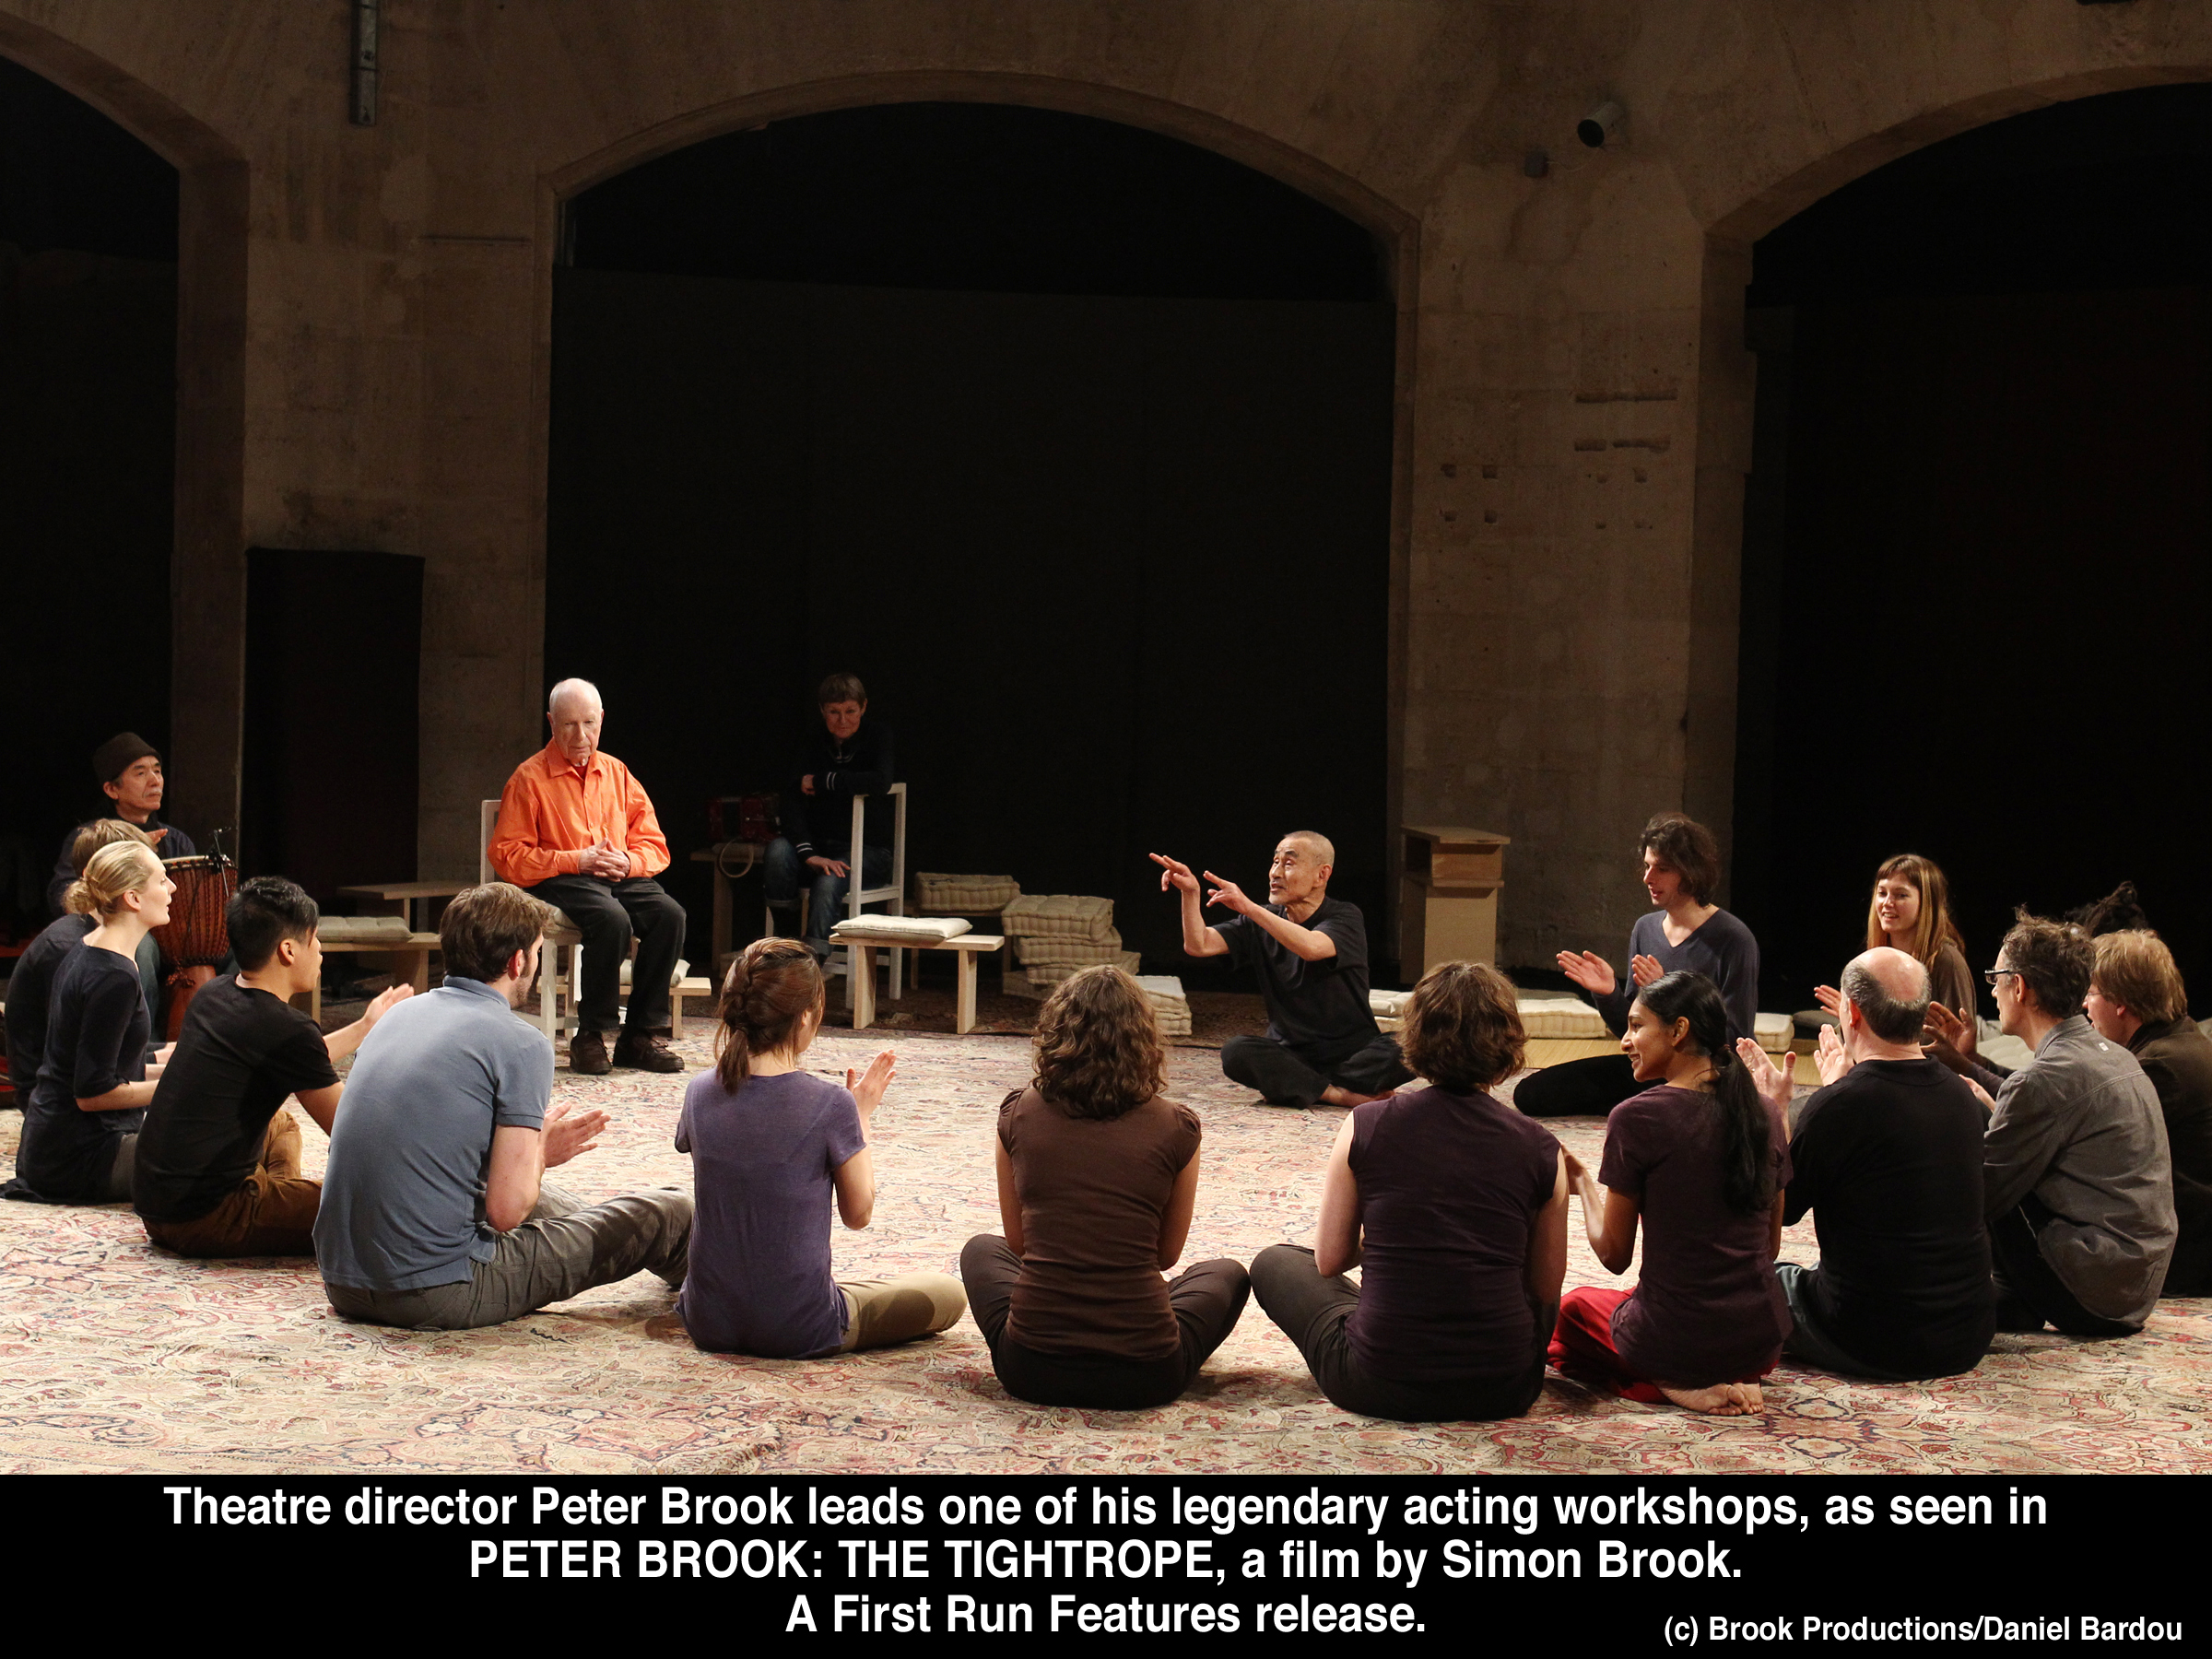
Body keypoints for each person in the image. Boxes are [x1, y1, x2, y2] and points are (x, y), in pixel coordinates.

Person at [313, 882, 693, 1330]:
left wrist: (534, 1160)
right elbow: (506, 1211)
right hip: (434, 1292)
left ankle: (664, 1243)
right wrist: (537, 1158)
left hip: (342, 1281)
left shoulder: (398, 1015)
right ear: (519, 961)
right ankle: (715, 1278)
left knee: (573, 1205)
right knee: (672, 1213)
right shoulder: (521, 1043)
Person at [1251, 960, 1568, 1421]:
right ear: (1508, 1045)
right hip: (1506, 1387)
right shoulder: (1543, 1147)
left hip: (1377, 1381)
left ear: (1414, 1037)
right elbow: (1544, 1287)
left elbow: (1330, 1260)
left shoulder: (1367, 1124)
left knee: (1276, 1262)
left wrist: (1395, 1234)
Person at [962, 965, 1250, 1408]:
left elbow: (1019, 1244)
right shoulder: (1177, 1126)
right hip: (1147, 1375)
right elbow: (1165, 1255)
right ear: (1144, 1041)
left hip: (1032, 1368)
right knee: (1227, 1273)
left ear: (1054, 1033)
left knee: (981, 1249)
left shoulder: (1018, 1113)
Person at [674, 937, 965, 1357]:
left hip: (708, 1321)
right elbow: (859, 1214)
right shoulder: (831, 1103)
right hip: (800, 1327)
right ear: (806, 1017)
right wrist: (860, 1116)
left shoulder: (698, 1090)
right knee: (947, 1293)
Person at [1735, 948, 1994, 1380]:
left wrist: (1777, 1112)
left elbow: (1772, 1211)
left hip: (1872, 1338)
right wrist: (1836, 1094)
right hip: (1967, 1333)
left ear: (1851, 1013)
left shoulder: (1840, 1106)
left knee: (1741, 1279)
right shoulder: (1963, 1096)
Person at [1547, 970, 1790, 1415]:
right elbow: (1770, 1247)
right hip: (1761, 1340)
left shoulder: (1638, 1118)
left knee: (1570, 1311)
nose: (1625, 1040)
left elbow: (1614, 1258)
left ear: (1679, 1031)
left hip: (1677, 1342)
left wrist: (1581, 1180)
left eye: (1637, 1025)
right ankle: (1734, 1374)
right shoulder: (1768, 1111)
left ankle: (1668, 1383)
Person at [132, 877, 413, 1257]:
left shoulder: (217, 992)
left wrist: (365, 1027)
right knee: (379, 1207)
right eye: (314, 941)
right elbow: (350, 1130)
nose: (321, 952)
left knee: (283, 1125)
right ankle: (272, 1208)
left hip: (157, 1202)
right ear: (288, 950)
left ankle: (278, 1203)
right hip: (207, 1216)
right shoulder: (285, 1028)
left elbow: (298, 1059)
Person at [1959, 913, 2174, 1336]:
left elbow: (1978, 1196)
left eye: (1995, 978)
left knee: (1972, 1178)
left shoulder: (2045, 1078)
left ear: (2018, 986)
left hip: (2096, 1293)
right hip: (2132, 1283)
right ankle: (2014, 1300)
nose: (1993, 991)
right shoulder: (2117, 1054)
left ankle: (1954, 1296)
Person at [488, 677, 687, 1076]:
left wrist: (628, 863)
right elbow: (507, 856)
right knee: (612, 919)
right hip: (561, 876)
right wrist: (574, 859)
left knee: (670, 915)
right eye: (569, 725)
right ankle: (590, 1035)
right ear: (551, 722)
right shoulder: (529, 778)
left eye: (589, 724)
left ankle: (638, 1037)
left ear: (601, 721)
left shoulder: (618, 773)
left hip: (616, 875)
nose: (581, 736)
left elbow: (655, 845)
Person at [1517, 813, 1759, 1118]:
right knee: (1531, 1094)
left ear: (1691, 873)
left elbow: (1737, 1042)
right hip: (1654, 1066)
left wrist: (1670, 995)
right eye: (1647, 866)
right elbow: (1631, 1034)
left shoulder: (1734, 938)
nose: (1648, 878)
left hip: (1704, 1075)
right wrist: (1608, 993)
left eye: (1662, 869)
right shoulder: (1645, 929)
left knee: (1647, 1111)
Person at [1151, 832, 1409, 1108]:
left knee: (1411, 1044)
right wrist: (1190, 893)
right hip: (1291, 1052)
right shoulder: (1259, 920)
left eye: (1288, 864)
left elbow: (1311, 947)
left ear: (1321, 875)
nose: (1275, 873)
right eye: (1275, 862)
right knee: (1236, 1052)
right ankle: (1336, 1093)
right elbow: (1199, 944)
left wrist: (1249, 908)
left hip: (1353, 1051)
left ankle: (1302, 1084)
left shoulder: (1345, 916)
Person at [5, 841, 173, 1204]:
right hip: (80, 1156)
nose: (172, 887)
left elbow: (99, 1063)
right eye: (162, 880)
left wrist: (185, 1062)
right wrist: (180, 1085)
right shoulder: (113, 976)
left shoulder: (90, 946)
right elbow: (92, 1094)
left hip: (55, 1144)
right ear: (133, 898)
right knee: (224, 1144)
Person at [2082, 929, 2208, 1297]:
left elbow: (2089, 1153)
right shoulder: (2183, 1042)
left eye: (2090, 994)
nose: (2085, 1007)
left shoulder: (2159, 1068)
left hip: (2185, 1260)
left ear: (2120, 1001)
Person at [5, 820, 156, 1110]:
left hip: (83, 1092)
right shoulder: (73, 951)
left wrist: (180, 1055)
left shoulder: (99, 939)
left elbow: (107, 1051)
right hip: (59, 1109)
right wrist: (180, 1082)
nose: (170, 886)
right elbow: (83, 1076)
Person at [764, 673, 896, 964]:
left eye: (850, 711)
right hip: (819, 846)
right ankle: (788, 946)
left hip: (869, 851)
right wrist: (808, 854)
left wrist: (824, 781)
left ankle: (810, 965)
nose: (842, 720)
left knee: (828, 881)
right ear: (823, 710)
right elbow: (792, 793)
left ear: (863, 707)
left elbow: (880, 781)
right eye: (834, 712)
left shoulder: (877, 736)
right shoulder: (812, 739)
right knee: (777, 853)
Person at [44, 732, 197, 915]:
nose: (155, 781)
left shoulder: (177, 841)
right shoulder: (86, 838)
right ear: (112, 789)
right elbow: (61, 898)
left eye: (157, 771)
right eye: (140, 773)